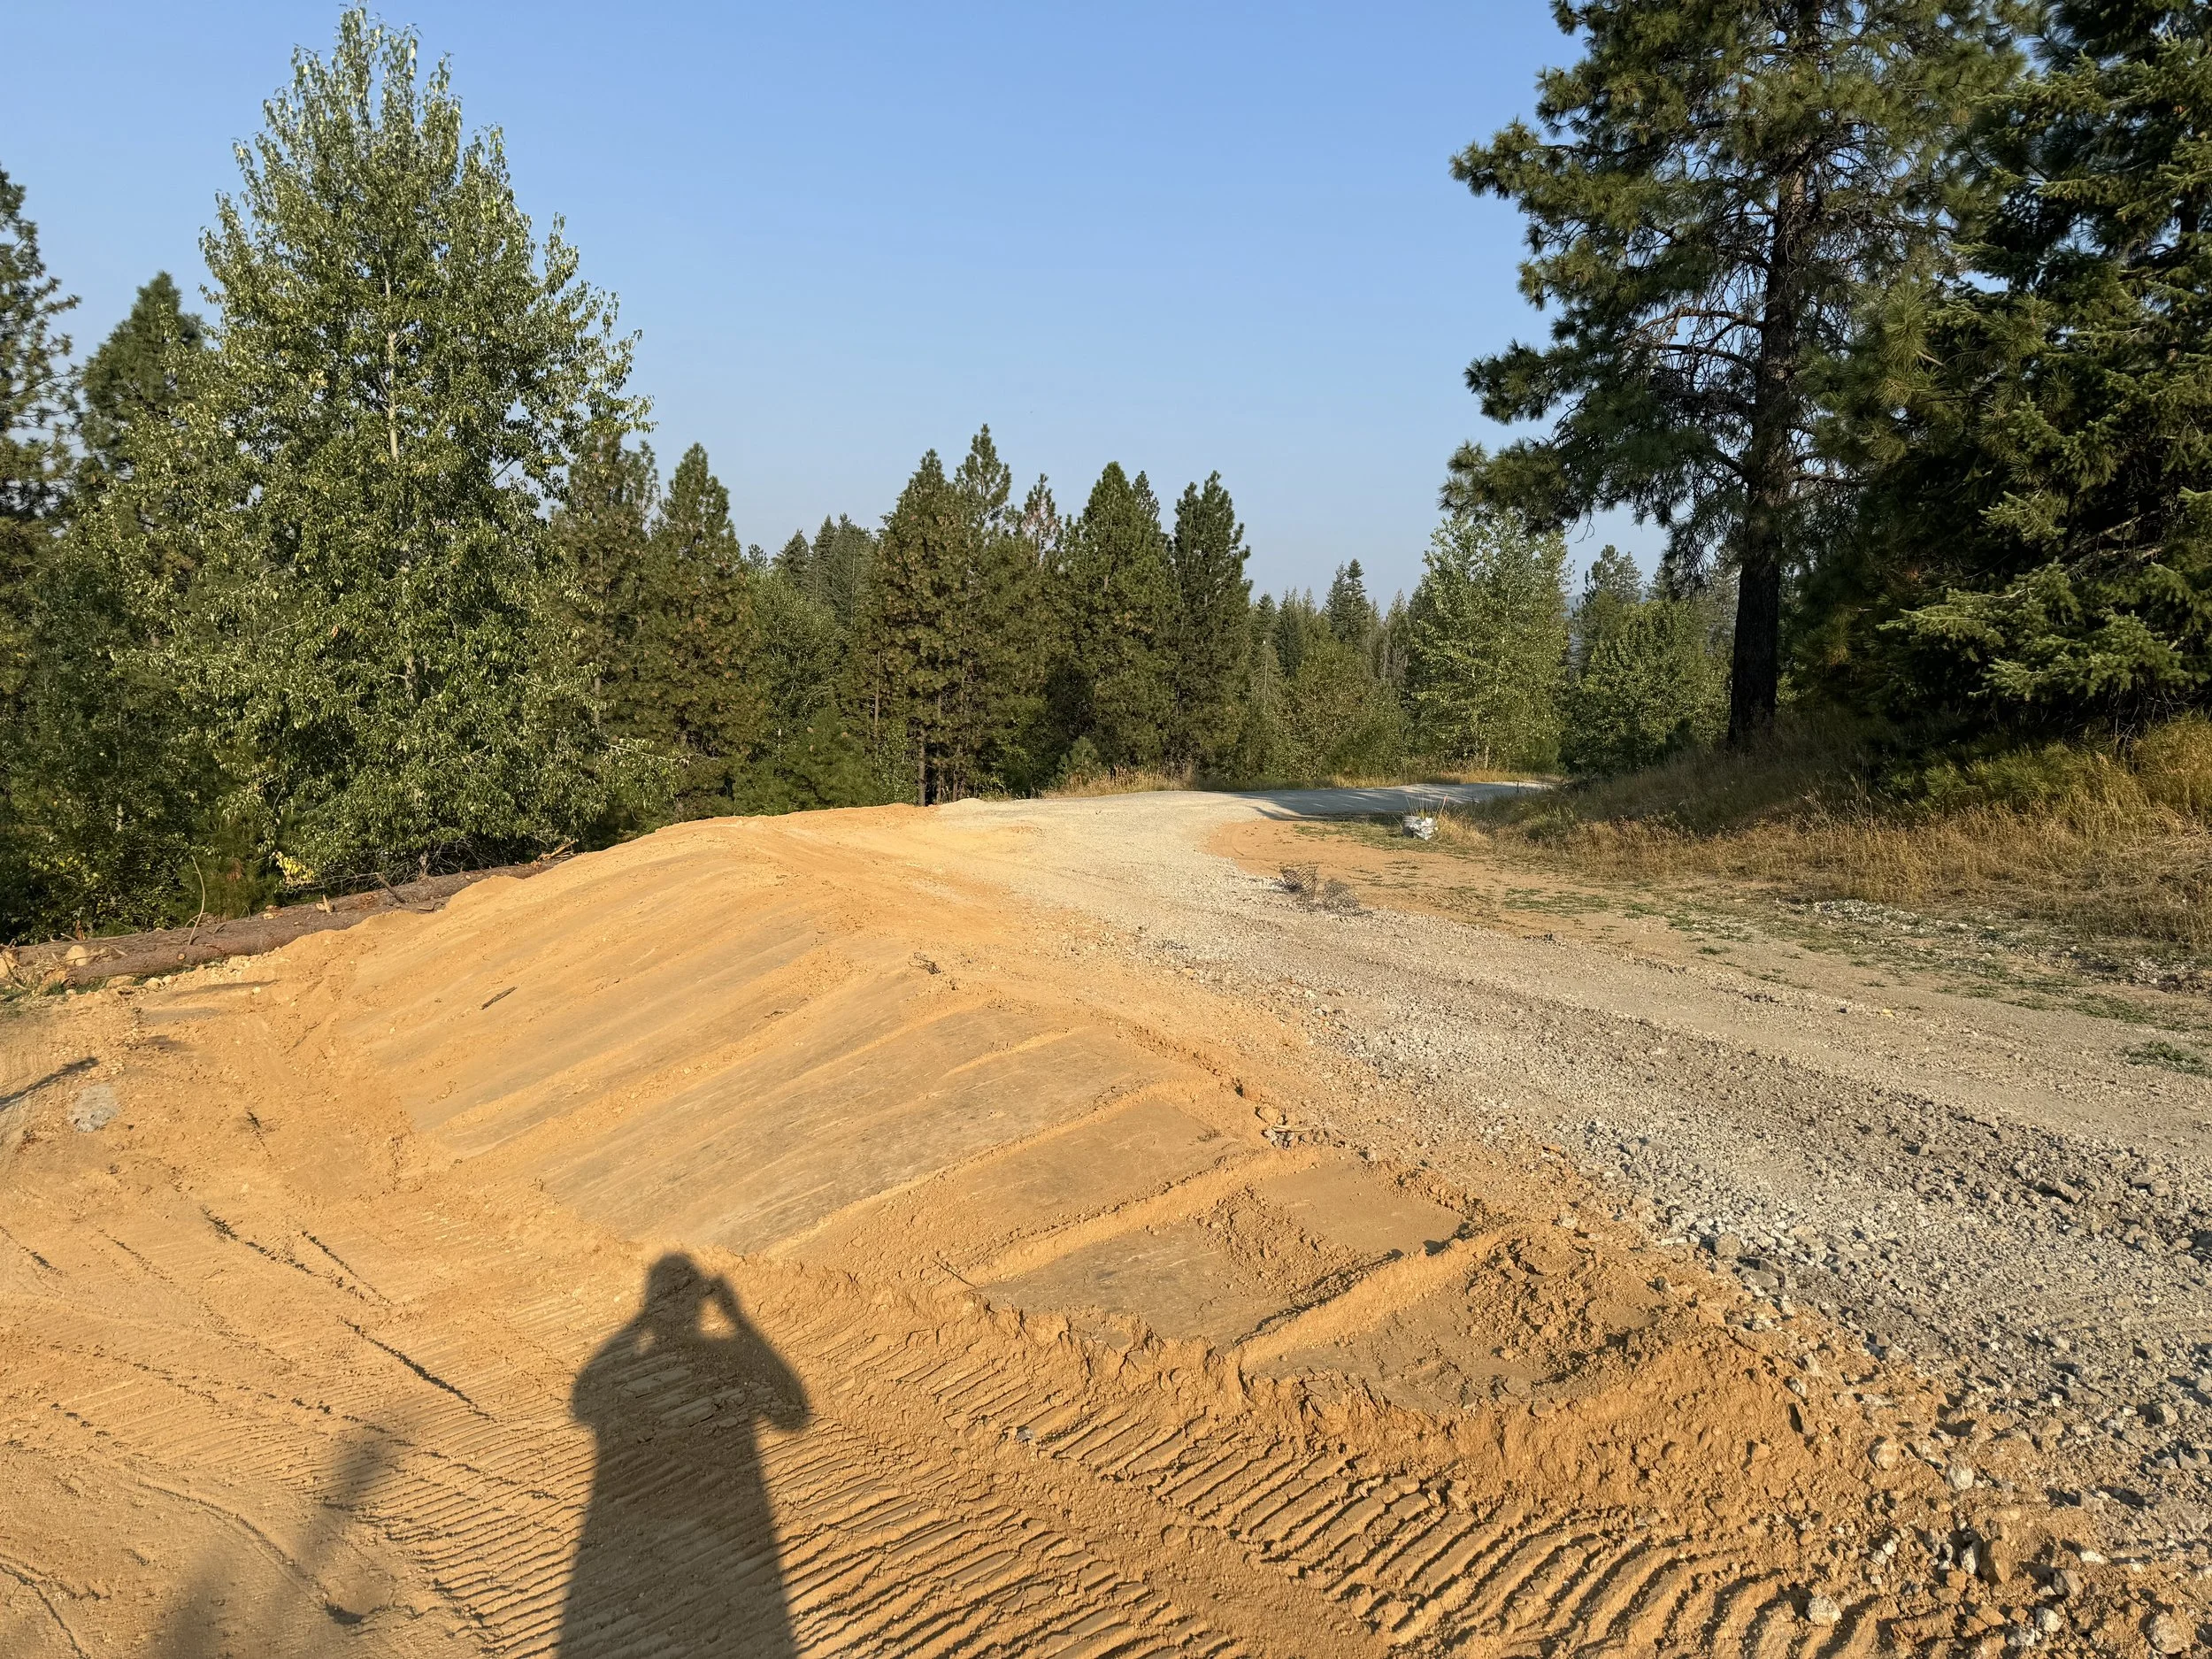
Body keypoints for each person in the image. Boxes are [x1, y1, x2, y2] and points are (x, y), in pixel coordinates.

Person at [561, 1254, 810, 1656]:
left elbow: (583, 1401)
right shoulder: (726, 1344)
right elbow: (793, 1415)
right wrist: (738, 1318)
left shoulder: (641, 1356)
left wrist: (640, 1320)